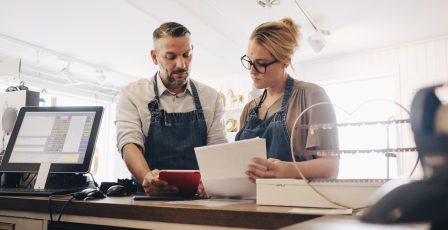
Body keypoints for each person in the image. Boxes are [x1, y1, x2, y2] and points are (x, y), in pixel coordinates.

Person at [115, 22, 227, 196]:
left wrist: (211, 181)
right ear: (154, 57)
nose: (181, 64)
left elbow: (218, 147)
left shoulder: (211, 97)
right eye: (171, 56)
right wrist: (147, 178)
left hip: (200, 200)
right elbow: (129, 143)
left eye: (186, 54)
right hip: (148, 198)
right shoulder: (132, 94)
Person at [236, 18, 339, 182]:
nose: (252, 71)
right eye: (249, 61)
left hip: (295, 204)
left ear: (285, 61)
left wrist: (287, 170)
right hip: (251, 204)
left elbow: (331, 167)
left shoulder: (311, 96)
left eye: (261, 64)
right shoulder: (249, 109)